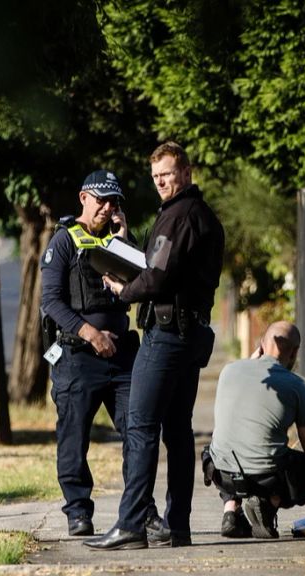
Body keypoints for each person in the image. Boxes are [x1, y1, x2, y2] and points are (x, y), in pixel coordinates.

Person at [84, 142, 225, 550]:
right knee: (178, 431)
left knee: (141, 425)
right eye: (155, 177)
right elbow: (165, 268)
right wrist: (129, 247)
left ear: (185, 171)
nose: (161, 182)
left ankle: (130, 524)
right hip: (191, 332)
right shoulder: (205, 218)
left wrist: (123, 290)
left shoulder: (178, 216)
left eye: (166, 174)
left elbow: (156, 277)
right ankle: (177, 525)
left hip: (166, 335)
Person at [39, 169, 161, 536]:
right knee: (74, 437)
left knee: (137, 432)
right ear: (83, 198)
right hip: (78, 356)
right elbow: (51, 302)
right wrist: (91, 333)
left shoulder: (120, 239)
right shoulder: (63, 241)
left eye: (114, 202)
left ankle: (143, 510)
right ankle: (78, 510)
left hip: (122, 354)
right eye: (102, 200)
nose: (108, 208)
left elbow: (144, 282)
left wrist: (125, 240)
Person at [202, 321, 305, 539]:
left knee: (230, 444)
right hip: (265, 479)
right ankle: (268, 501)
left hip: (220, 473)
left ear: (261, 346)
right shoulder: (296, 386)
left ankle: (231, 509)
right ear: (294, 352)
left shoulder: (229, 372)